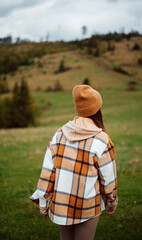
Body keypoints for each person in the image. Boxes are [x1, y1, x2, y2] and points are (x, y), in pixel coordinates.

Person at [30, 85, 118, 240]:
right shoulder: (102, 140)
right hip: (88, 205)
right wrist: (112, 200)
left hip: (61, 204)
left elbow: (47, 172)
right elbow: (108, 178)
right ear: (98, 109)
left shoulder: (59, 134)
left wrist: (44, 201)